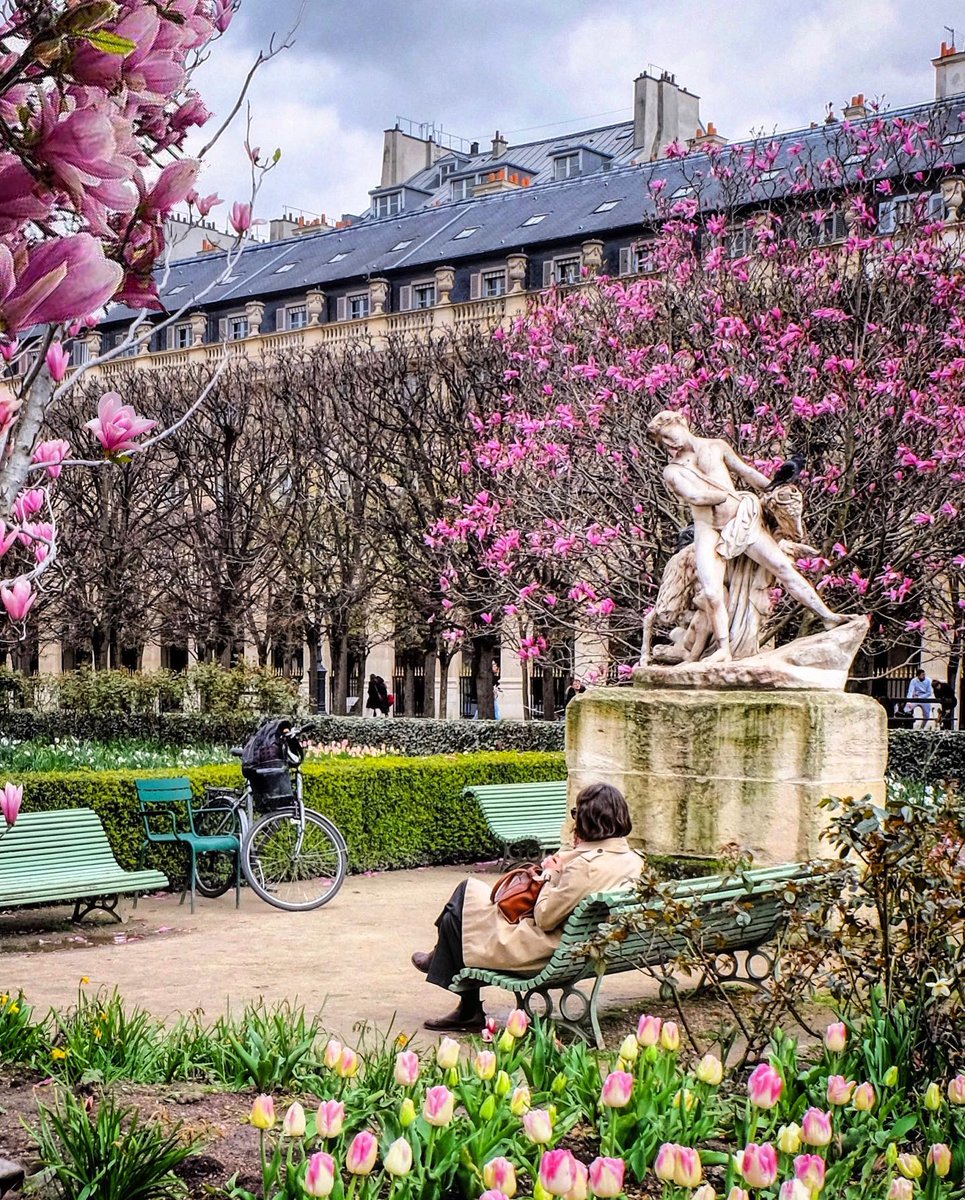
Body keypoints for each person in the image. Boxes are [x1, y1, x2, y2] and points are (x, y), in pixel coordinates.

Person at [411, 782, 643, 1031]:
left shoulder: (586, 867)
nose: (574, 820)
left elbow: (544, 918)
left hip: (547, 952)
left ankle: (462, 999)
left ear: (590, 821)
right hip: (583, 947)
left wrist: (552, 875)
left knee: (462, 902)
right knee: (463, 907)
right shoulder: (633, 860)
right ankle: (453, 985)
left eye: (577, 814)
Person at [646, 411, 846, 664]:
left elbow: (747, 472)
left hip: (742, 519)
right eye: (662, 442)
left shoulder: (716, 447)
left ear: (682, 423)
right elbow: (695, 497)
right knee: (711, 592)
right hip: (708, 529)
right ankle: (723, 649)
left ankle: (827, 616)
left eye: (668, 435)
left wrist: (774, 488)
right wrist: (724, 496)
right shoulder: (672, 471)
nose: (668, 443)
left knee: (783, 567)